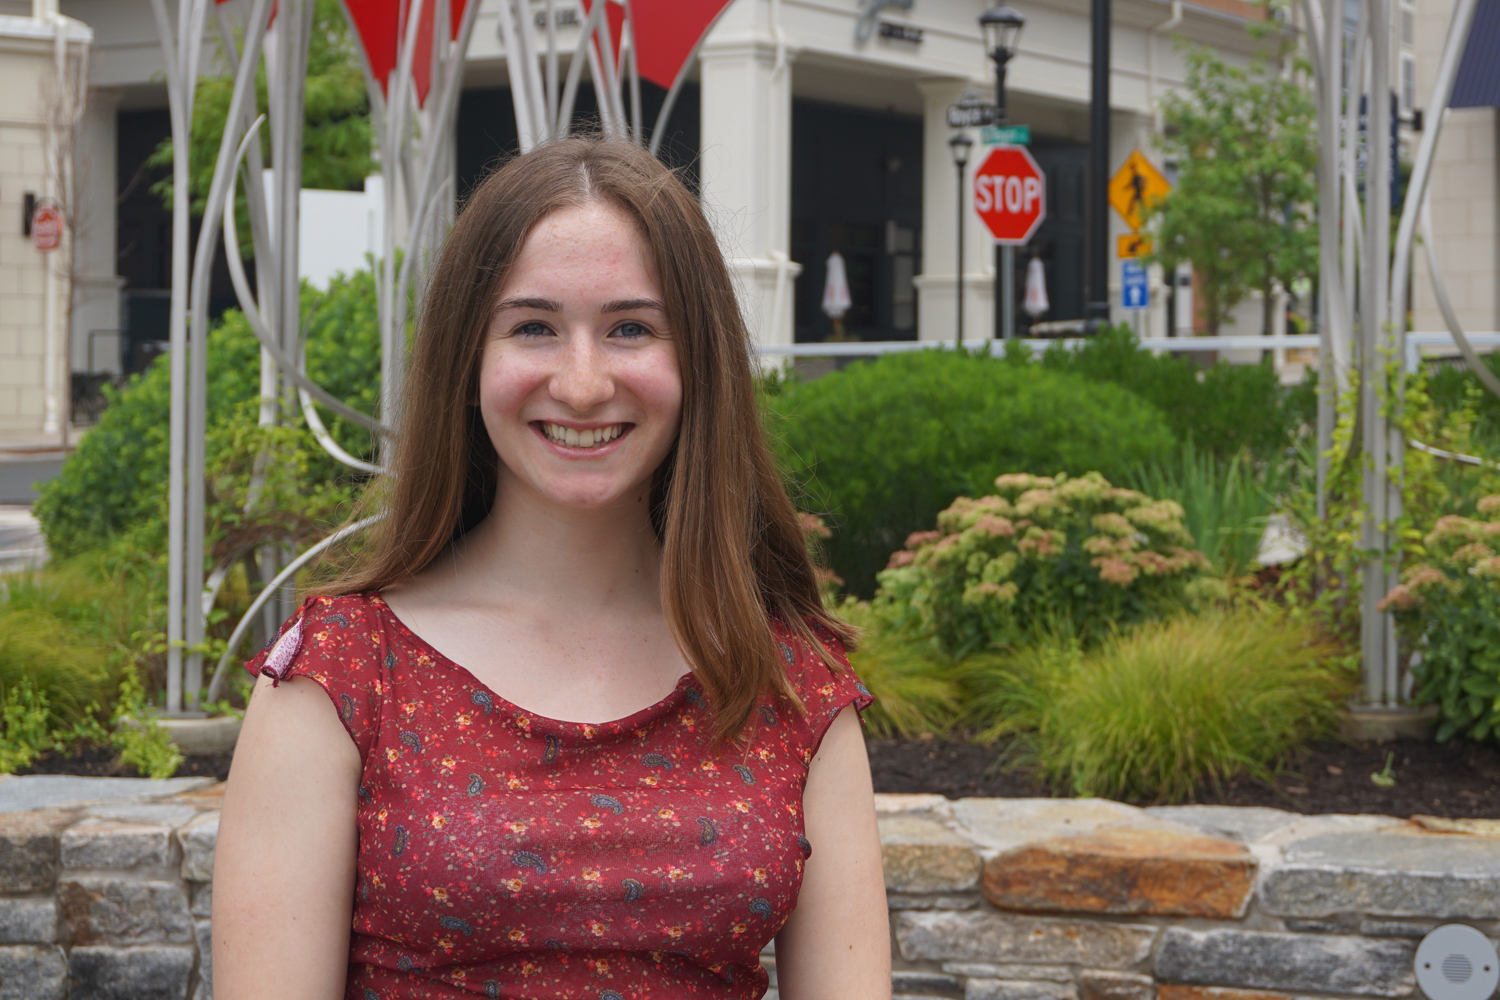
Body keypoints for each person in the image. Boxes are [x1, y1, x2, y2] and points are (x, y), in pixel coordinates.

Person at [211, 137, 891, 1000]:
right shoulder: (342, 675)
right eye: (533, 326)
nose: (580, 383)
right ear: (468, 359)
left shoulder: (789, 679)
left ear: (699, 363)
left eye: (631, 328)